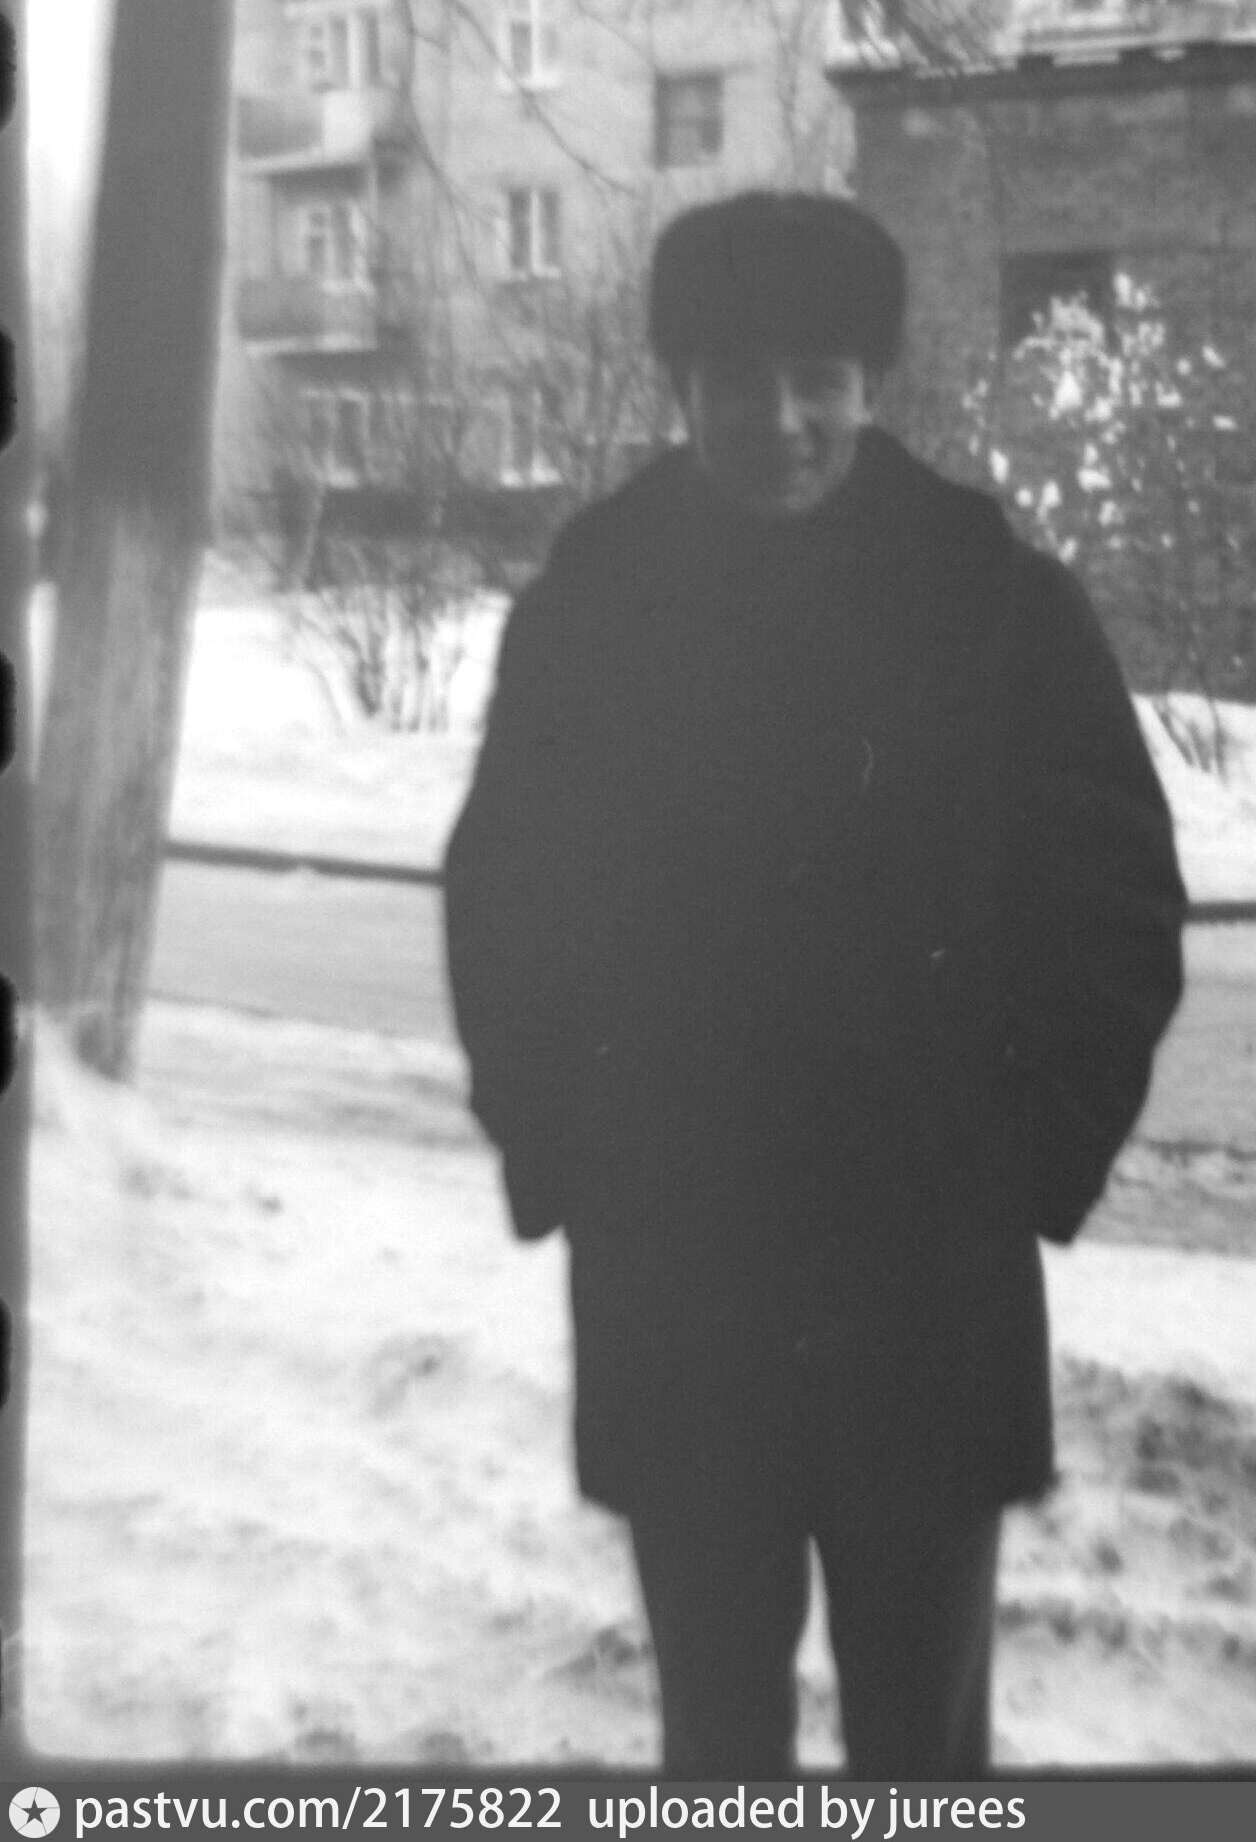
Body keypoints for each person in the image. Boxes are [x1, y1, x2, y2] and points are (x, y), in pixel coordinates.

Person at [443, 191, 1186, 1779]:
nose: (776, 420)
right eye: (732, 379)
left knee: (921, 1737)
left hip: (922, 1266)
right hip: (681, 1266)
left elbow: (1112, 904)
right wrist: (562, 1149)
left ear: (869, 380)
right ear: (678, 384)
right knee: (715, 1730)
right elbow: (504, 903)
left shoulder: (990, 598)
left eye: (816, 378)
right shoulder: (593, 604)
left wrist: (1028, 1160)